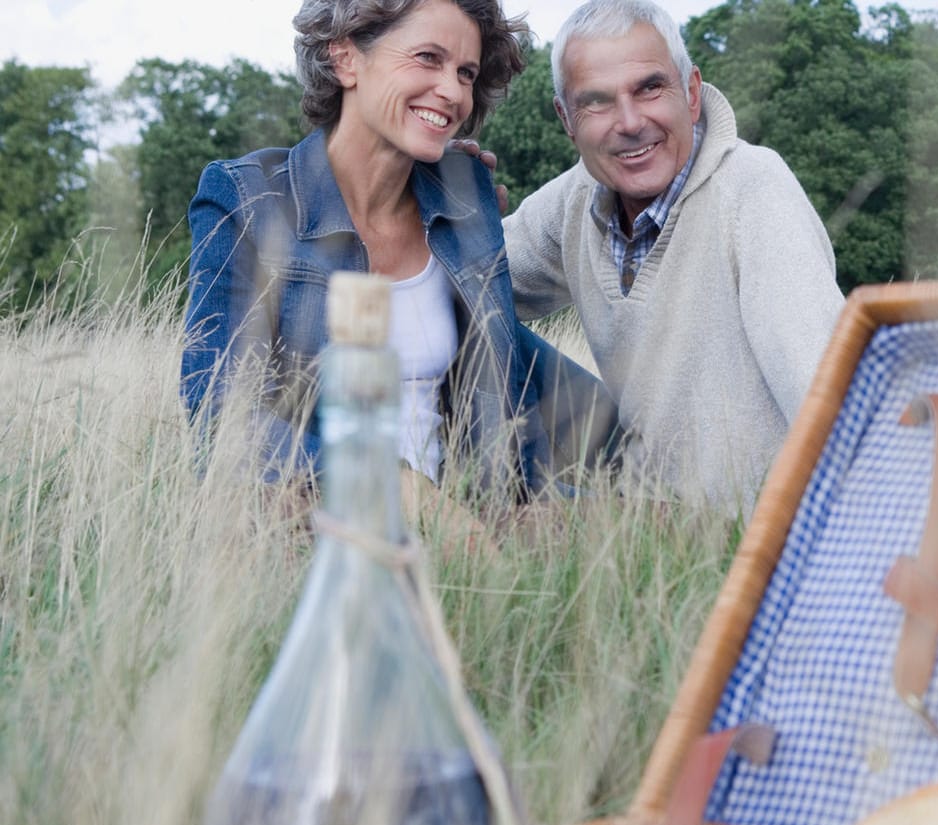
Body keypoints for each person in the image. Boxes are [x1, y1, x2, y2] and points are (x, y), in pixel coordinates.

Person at [181, 0, 616, 515]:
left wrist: (625, 458)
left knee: (673, 516)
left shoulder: (465, 192)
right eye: (428, 58)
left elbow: (506, 376)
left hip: (475, 521)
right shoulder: (246, 198)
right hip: (323, 528)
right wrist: (402, 493)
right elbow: (219, 416)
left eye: (465, 72)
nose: (454, 91)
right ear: (345, 59)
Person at [501, 0, 845, 510]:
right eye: (596, 101)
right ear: (566, 118)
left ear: (690, 90)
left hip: (750, 533)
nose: (630, 122)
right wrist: (441, 193)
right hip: (645, 517)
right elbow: (466, 277)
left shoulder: (753, 191)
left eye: (649, 88)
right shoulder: (576, 199)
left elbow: (830, 396)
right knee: (463, 323)